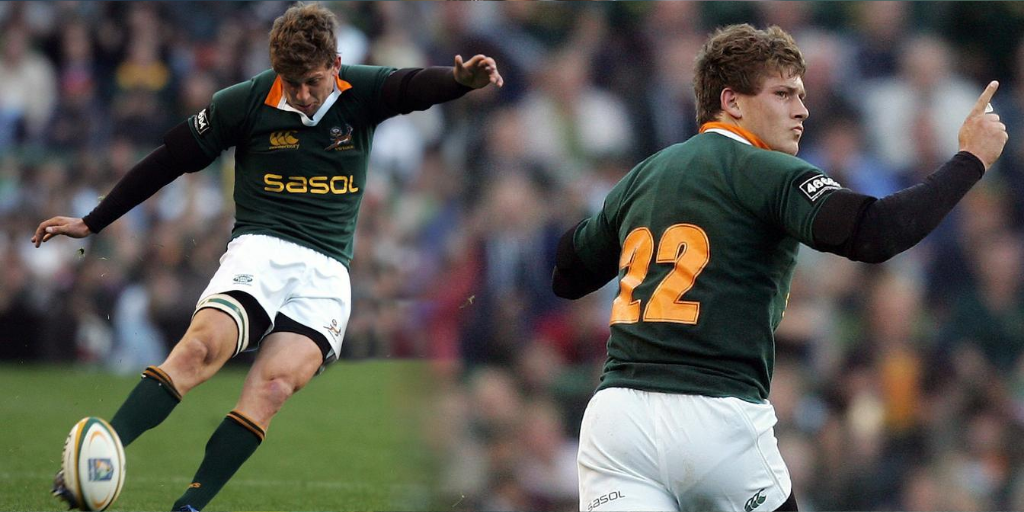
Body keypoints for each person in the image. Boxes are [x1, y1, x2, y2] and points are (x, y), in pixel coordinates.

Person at [34, 3, 502, 511]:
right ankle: (101, 451)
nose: (302, 94)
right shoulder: (246, 101)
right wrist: (93, 220)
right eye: (291, 82)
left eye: (313, 82)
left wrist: (459, 81)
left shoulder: (360, 91)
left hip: (327, 272)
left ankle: (188, 507)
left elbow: (411, 86)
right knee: (199, 349)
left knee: (273, 388)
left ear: (336, 64)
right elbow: (169, 160)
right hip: (261, 249)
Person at [551, 24, 1006, 512]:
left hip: (618, 421)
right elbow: (876, 233)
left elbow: (568, 274)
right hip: (712, 414)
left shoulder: (645, 173)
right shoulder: (764, 170)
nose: (802, 109)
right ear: (732, 101)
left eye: (802, 95)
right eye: (783, 93)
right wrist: (970, 159)